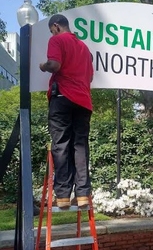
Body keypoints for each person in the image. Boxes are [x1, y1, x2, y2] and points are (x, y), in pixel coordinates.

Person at [39, 14, 93, 209]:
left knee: (61, 144)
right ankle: (82, 194)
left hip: (62, 97)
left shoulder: (57, 40)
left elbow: (54, 65)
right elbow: (90, 77)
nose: (51, 33)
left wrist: (42, 66)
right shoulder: (85, 48)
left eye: (51, 30)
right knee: (80, 146)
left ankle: (62, 195)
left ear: (56, 26)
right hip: (83, 102)